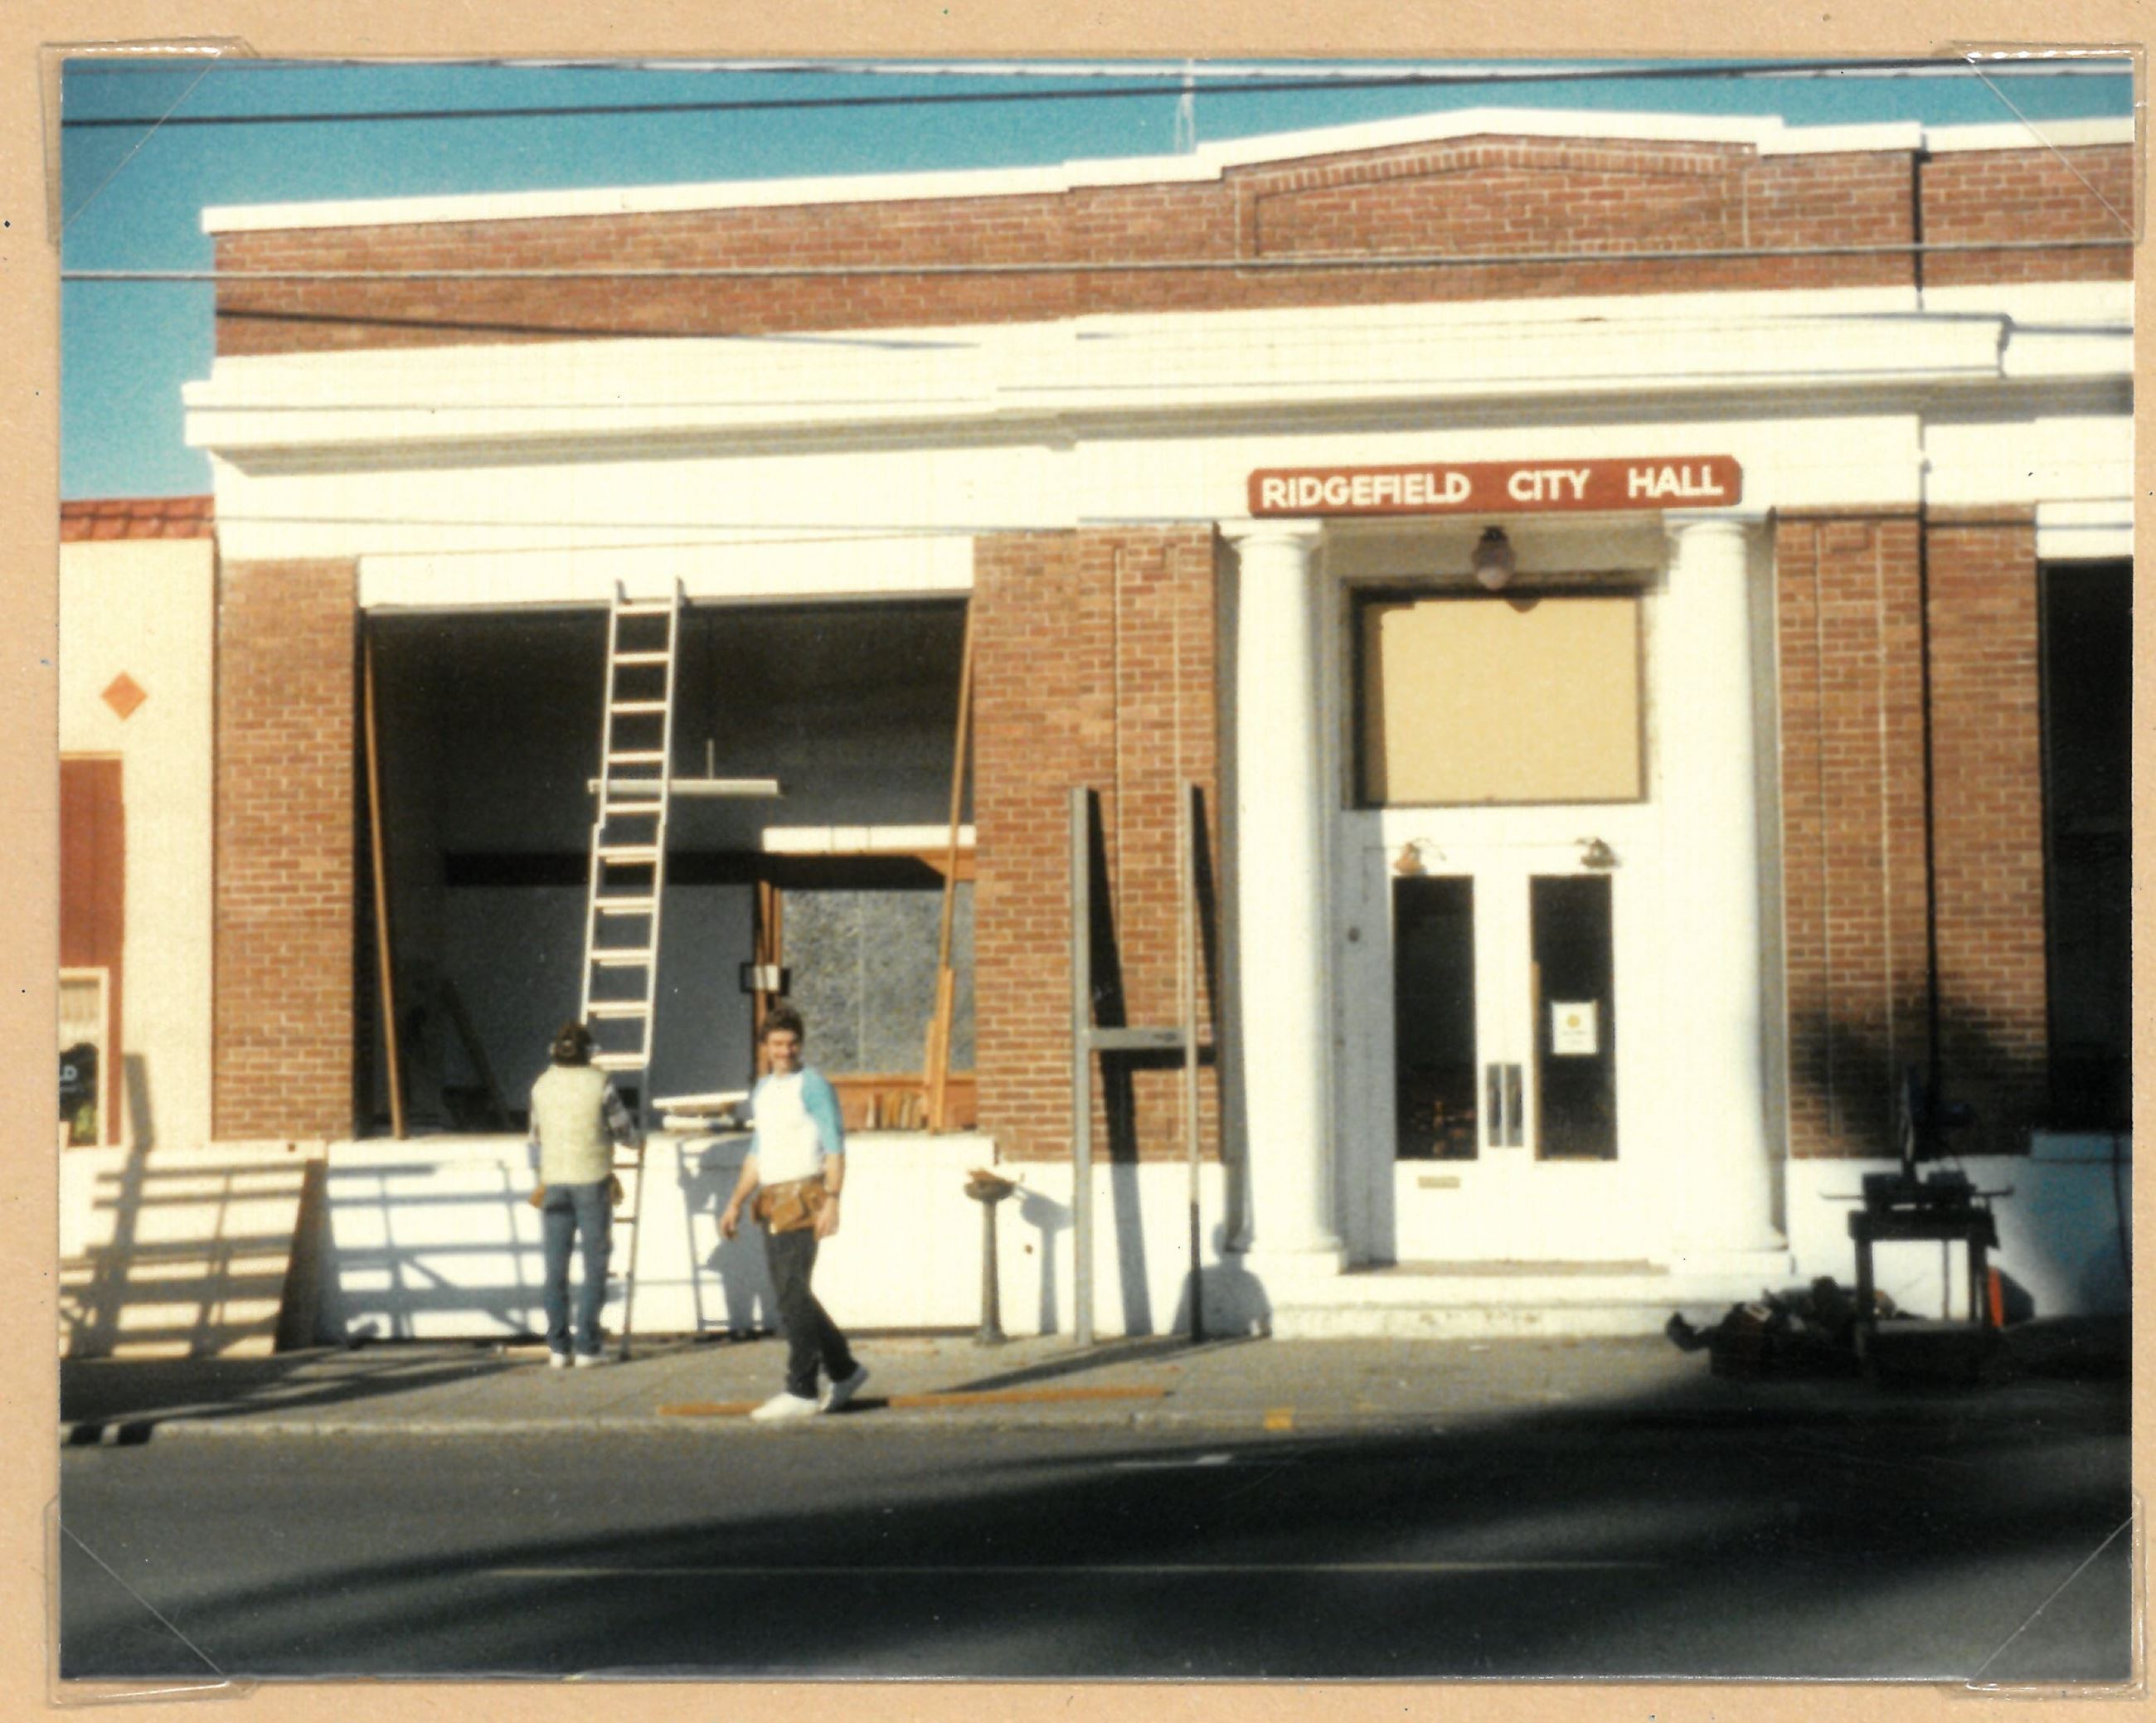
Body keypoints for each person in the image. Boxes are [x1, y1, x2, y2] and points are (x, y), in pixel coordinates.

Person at [720, 1004, 869, 1421]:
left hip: (805, 1197)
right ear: (765, 1047)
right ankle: (844, 1369)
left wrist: (834, 1199)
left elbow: (835, 1145)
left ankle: (802, 1388)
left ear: (800, 1045)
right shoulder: (764, 1091)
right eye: (777, 1043)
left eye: (791, 1043)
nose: (785, 1051)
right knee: (792, 1294)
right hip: (772, 1198)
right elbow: (757, 1153)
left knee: (791, 1293)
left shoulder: (814, 1086)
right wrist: (735, 1201)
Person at [527, 1019, 640, 1367]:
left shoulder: (541, 1086)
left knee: (555, 1267)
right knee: (595, 1264)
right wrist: (636, 1143)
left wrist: (546, 1171)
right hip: (592, 1180)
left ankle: (559, 1348)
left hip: (554, 1183)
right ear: (590, 1053)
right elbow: (622, 1130)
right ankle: (589, 1346)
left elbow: (535, 1139)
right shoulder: (599, 1083)